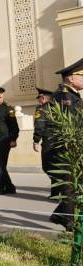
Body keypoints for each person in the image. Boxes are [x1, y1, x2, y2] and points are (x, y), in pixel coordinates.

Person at [48, 57, 83, 230]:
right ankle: (69, 222)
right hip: (68, 148)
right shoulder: (64, 97)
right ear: (71, 78)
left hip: (74, 146)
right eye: (81, 76)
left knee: (73, 184)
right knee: (70, 185)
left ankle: (60, 215)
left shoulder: (71, 95)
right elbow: (68, 124)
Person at [32, 87, 56, 196]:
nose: (38, 101)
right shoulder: (58, 107)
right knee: (57, 166)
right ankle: (57, 192)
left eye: (39, 98)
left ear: (43, 98)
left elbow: (39, 125)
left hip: (49, 141)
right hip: (61, 140)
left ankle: (57, 192)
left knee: (47, 166)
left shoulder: (42, 109)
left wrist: (36, 141)